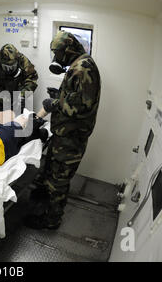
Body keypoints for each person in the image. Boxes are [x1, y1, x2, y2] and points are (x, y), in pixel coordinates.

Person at [23, 30, 101, 230]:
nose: (56, 59)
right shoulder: (78, 64)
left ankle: (51, 220)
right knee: (50, 172)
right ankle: (40, 202)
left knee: (59, 181)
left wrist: (55, 103)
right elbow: (78, 96)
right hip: (63, 135)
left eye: (58, 54)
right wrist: (60, 95)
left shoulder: (83, 68)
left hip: (71, 138)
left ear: (68, 50)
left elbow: (83, 106)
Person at [0, 44, 38, 114]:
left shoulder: (23, 60)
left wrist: (22, 95)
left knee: (16, 122)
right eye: (6, 67)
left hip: (18, 96)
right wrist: (6, 100)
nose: (9, 70)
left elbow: (32, 79)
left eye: (12, 66)